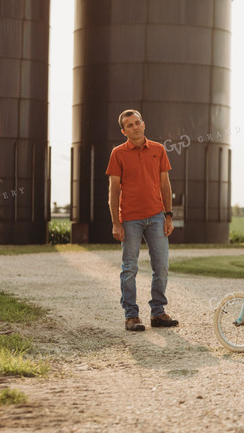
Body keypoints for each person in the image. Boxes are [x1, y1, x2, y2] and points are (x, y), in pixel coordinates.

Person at [106, 109, 178, 331]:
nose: (135, 127)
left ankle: (158, 312)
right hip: (130, 220)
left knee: (161, 267)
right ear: (123, 131)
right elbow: (114, 190)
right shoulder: (118, 153)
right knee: (129, 268)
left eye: (137, 123)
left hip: (157, 217)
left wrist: (168, 215)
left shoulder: (158, 149)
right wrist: (116, 222)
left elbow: (165, 185)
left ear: (143, 124)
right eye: (130, 125)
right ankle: (131, 315)